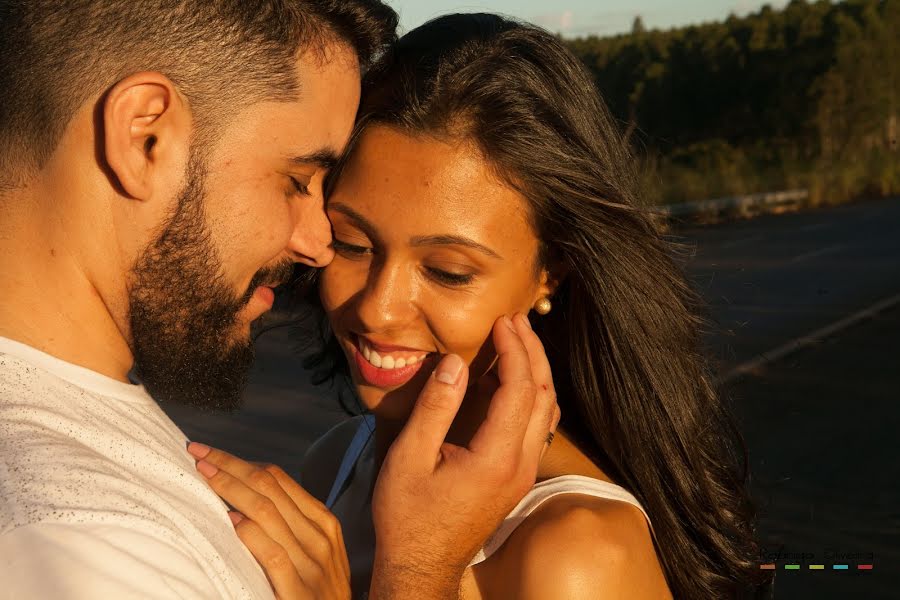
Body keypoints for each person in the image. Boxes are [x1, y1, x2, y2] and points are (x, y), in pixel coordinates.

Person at [0, 3, 558, 599]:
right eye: (296, 180)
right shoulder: (88, 547)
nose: (318, 245)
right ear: (145, 137)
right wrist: (417, 577)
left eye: (447, 270)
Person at [288, 14, 776, 599]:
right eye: (353, 244)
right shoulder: (335, 463)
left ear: (550, 276)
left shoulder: (578, 555)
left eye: (447, 272)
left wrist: (419, 571)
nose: (378, 309)